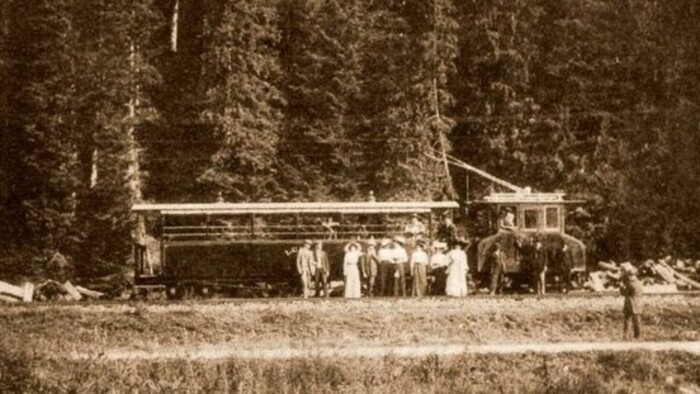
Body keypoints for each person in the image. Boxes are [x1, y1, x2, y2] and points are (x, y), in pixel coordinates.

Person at [620, 263, 643, 339]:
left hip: (632, 303)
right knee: (635, 320)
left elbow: (623, 293)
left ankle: (628, 336)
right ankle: (636, 336)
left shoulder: (632, 284)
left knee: (629, 320)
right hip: (636, 303)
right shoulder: (637, 282)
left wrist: (621, 287)